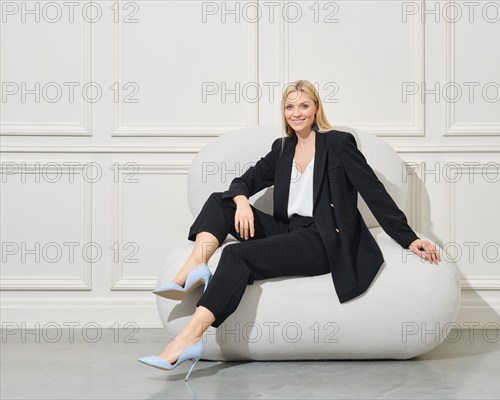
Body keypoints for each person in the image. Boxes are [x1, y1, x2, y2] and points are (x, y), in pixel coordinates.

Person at [138, 80, 440, 380]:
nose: (296, 113)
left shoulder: (338, 144)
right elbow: (246, 180)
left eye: (304, 105)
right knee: (221, 201)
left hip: (322, 239)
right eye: (290, 106)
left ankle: (188, 338)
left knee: (235, 254)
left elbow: (374, 192)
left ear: (316, 108)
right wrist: (242, 200)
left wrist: (409, 238)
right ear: (284, 111)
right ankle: (196, 264)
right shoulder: (282, 148)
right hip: (289, 229)